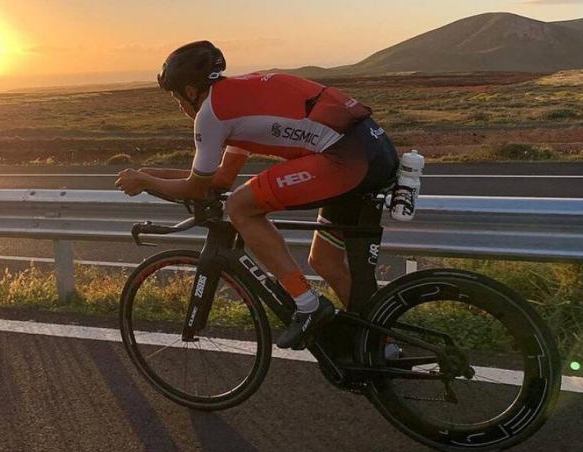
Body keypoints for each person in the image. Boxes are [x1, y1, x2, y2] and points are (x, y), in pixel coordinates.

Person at [115, 40, 399, 349]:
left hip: (346, 160)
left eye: (175, 98)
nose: (180, 106)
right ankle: (380, 348)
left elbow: (198, 187)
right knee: (325, 261)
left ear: (191, 91)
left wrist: (145, 182)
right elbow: (221, 178)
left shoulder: (211, 114)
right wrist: (147, 175)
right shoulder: (240, 97)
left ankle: (307, 304)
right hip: (371, 149)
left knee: (241, 206)